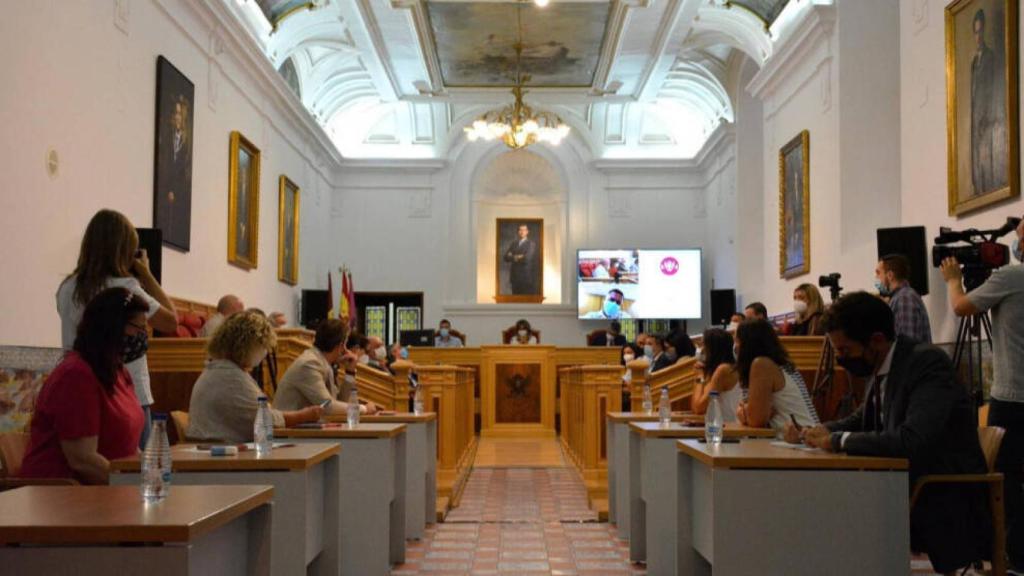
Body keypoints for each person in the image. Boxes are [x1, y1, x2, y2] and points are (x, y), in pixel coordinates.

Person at [785, 292, 990, 575]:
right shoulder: (884, 362)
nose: (842, 360)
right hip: (902, 483)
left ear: (877, 340)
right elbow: (864, 418)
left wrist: (837, 440)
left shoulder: (927, 363)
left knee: (833, 511)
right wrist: (820, 431)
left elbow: (911, 439)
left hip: (943, 493)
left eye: (845, 351)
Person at [941, 216, 1024, 569]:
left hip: (1014, 395)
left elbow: (961, 307)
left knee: (1008, 480)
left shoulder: (1012, 276)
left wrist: (953, 280)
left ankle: (1013, 556)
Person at [56, 209, 177, 450]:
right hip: (125, 389)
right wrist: (146, 273)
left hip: (79, 384)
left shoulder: (67, 286)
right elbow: (171, 321)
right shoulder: (126, 287)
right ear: (124, 251)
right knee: (134, 466)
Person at [22, 288, 147, 484]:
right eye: (137, 328)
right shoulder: (76, 376)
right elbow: (82, 460)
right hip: (61, 494)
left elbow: (129, 447)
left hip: (107, 489)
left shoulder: (119, 372)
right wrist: (134, 485)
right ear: (112, 327)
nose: (141, 336)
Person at [186, 311, 321, 443]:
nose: (265, 352)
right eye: (263, 346)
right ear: (249, 345)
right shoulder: (231, 376)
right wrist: (303, 416)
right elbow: (265, 420)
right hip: (224, 456)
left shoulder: (219, 368)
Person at [274, 319, 378, 415]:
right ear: (341, 347)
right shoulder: (310, 364)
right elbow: (327, 405)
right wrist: (363, 409)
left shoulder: (322, 362)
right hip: (288, 432)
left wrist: (350, 372)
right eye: (345, 344)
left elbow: (339, 402)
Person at [733, 319, 818, 432]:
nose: (735, 347)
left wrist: (746, 411)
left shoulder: (762, 364)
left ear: (747, 344)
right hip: (800, 438)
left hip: (801, 441)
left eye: (737, 341)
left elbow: (755, 420)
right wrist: (746, 409)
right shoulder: (781, 365)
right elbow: (753, 411)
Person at [971, 8, 1004, 197]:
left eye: (981, 31)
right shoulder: (974, 63)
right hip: (976, 126)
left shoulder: (990, 58)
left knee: (987, 165)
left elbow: (994, 94)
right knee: (978, 170)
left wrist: (987, 119)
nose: (978, 36)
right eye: (975, 32)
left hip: (987, 123)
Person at [876, 254, 932, 343]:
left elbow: (907, 345)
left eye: (878, 273)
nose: (876, 277)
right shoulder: (901, 297)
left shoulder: (904, 298)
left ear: (890, 275)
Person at [691, 328, 741, 421]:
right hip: (717, 429)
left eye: (703, 345)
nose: (701, 350)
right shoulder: (718, 369)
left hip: (727, 431)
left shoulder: (724, 370)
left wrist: (699, 377)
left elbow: (698, 407)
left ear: (712, 348)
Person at [504, 224, 538, 295]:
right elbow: (506, 257)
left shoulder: (531, 244)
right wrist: (519, 256)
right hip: (514, 277)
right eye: (520, 230)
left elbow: (526, 259)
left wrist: (512, 256)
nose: (522, 232)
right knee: (515, 301)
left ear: (527, 232)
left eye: (524, 230)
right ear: (518, 232)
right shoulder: (514, 244)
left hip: (525, 278)